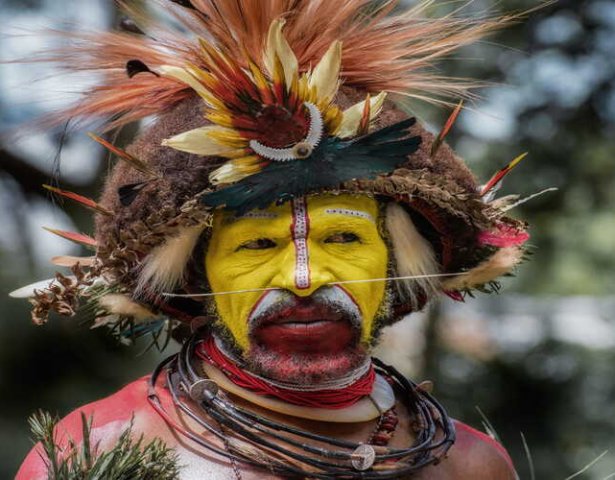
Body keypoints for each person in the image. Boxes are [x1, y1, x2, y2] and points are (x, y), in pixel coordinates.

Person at [13, 1, 531, 478]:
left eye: (345, 237)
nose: (304, 279)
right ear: (197, 274)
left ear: (396, 261)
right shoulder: (98, 455)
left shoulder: (469, 465)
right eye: (256, 246)